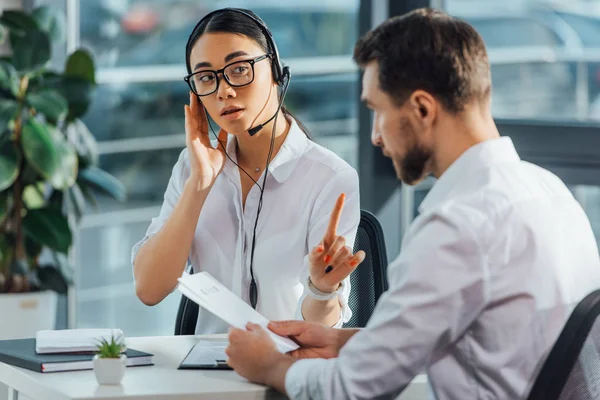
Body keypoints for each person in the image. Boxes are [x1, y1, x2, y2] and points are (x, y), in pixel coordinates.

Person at [224, 7, 600, 399]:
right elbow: (490, 336)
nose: (375, 136)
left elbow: (351, 389)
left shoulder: (458, 225)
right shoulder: (551, 191)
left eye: (377, 111)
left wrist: (269, 365)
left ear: (422, 109)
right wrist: (343, 343)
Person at [131, 8, 365, 334]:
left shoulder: (328, 177)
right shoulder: (191, 167)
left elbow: (320, 329)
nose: (224, 90)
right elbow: (149, 289)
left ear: (275, 70)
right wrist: (200, 184)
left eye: (239, 69)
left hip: (285, 371)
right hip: (206, 375)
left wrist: (321, 290)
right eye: (206, 78)